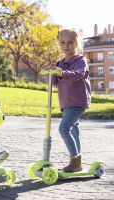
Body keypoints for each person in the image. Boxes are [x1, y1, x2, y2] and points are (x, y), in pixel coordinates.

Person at [45, 28, 91, 172]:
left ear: (77, 43)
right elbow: (55, 82)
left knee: (64, 129)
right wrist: (50, 73)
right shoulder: (60, 62)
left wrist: (62, 73)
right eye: (63, 42)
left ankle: (75, 161)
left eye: (70, 42)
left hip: (78, 100)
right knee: (74, 130)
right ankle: (78, 162)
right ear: (59, 43)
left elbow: (79, 74)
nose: (66, 45)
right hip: (65, 102)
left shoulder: (80, 60)